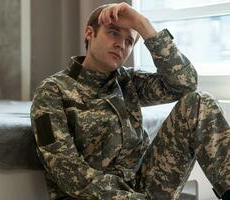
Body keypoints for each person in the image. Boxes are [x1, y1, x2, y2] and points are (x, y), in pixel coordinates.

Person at [30, 2, 230, 200]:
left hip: (143, 186)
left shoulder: (129, 82)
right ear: (90, 34)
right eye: (113, 33)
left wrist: (143, 24)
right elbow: (67, 171)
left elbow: (185, 84)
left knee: (199, 102)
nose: (121, 45)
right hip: (93, 196)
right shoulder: (52, 91)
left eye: (129, 42)